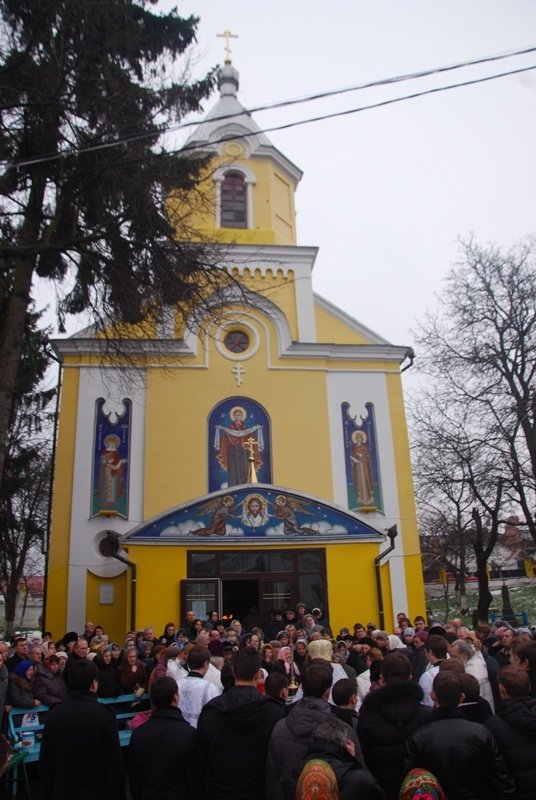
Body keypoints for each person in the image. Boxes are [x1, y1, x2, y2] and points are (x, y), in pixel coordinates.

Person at [405, 671, 514, 800]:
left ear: (432, 695)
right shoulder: (481, 733)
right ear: (461, 697)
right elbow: (501, 779)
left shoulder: (419, 737)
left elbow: (411, 781)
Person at [194, 646, 286, 800]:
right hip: (259, 790)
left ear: (234, 672)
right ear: (257, 675)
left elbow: (200, 760)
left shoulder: (211, 711)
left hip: (220, 791)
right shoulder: (275, 712)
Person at [266, 661, 362, 800]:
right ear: (327, 691)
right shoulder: (345, 730)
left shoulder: (279, 728)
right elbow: (359, 780)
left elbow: (272, 779)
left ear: (302, 687)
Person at [39, 659, 125, 800]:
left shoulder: (55, 714)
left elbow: (46, 763)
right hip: (97, 791)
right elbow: (114, 763)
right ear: (93, 684)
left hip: (63, 791)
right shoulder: (104, 715)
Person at [357, 652, 432, 800]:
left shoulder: (368, 715)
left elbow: (364, 756)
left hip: (382, 790)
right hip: (419, 791)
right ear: (410, 676)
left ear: (382, 678)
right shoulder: (426, 715)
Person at [129, 676, 195, 800]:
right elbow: (194, 778)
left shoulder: (139, 734)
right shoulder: (189, 734)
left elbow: (134, 777)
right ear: (176, 697)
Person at [299, 716, 383, 800]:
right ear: (344, 743)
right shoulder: (360, 779)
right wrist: (351, 759)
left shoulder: (296, 774)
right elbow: (370, 787)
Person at [485, 666, 536, 800]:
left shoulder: (493, 726)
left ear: (502, 690)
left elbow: (496, 768)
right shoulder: (494, 725)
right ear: (529, 687)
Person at [177, 645, 220, 728]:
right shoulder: (211, 688)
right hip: (199, 734)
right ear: (206, 663)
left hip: (178, 733)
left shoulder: (176, 684)